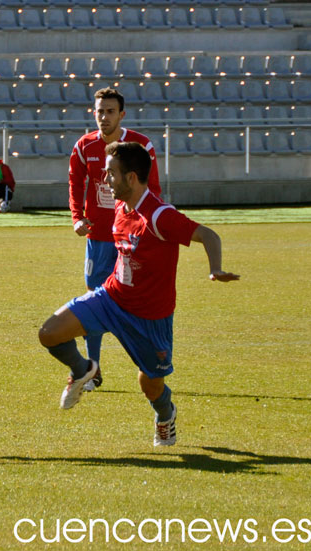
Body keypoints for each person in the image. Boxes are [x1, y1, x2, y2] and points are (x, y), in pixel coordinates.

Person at [40, 142, 239, 446]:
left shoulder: (160, 215)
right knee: (49, 333)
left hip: (150, 318)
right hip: (111, 299)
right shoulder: (120, 207)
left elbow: (207, 234)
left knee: (150, 385)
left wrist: (216, 268)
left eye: (111, 174)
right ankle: (84, 370)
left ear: (131, 178)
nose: (105, 179)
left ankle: (165, 413)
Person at [69, 87, 162, 392]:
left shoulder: (140, 147)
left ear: (122, 114)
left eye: (110, 111)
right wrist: (77, 217)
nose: (104, 117)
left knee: (135, 303)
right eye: (99, 111)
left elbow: (154, 189)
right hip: (98, 237)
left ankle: (150, 368)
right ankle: (91, 371)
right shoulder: (84, 146)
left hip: (131, 239)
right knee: (94, 299)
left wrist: (147, 227)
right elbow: (75, 183)